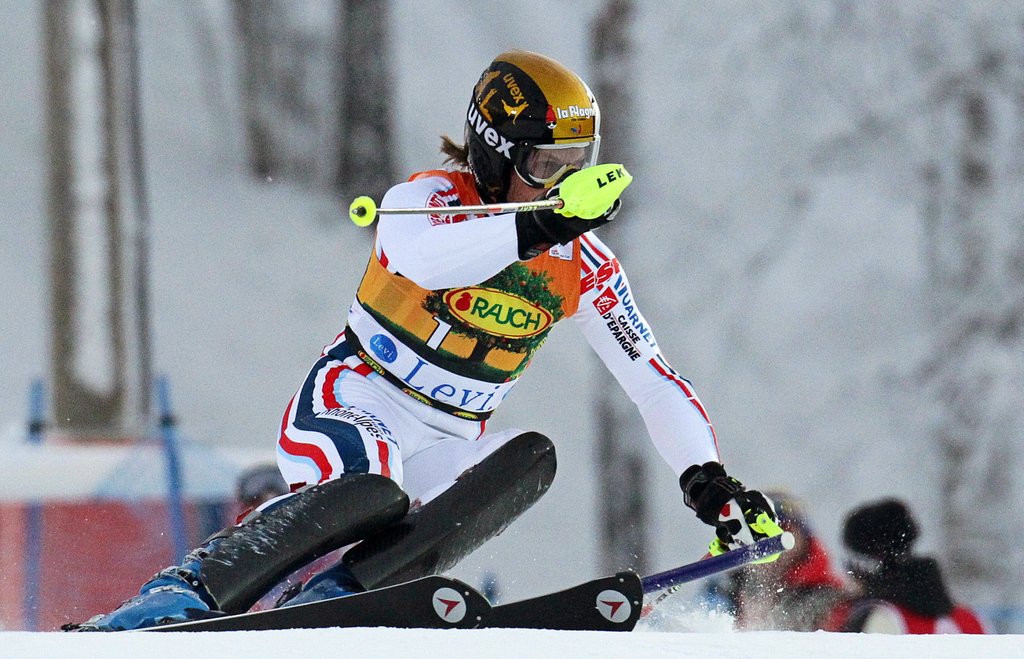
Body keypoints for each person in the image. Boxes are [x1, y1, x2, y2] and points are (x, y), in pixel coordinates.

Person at [79, 49, 781, 631]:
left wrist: (706, 479)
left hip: (448, 438)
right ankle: (182, 591)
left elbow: (653, 381)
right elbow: (427, 262)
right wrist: (540, 225)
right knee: (372, 488)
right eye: (545, 167)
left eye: (576, 164)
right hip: (358, 398)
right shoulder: (426, 201)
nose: (562, 186)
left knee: (530, 458)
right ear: (495, 154)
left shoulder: (584, 264)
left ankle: (341, 596)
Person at [828, 497, 988, 634]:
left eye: (851, 566)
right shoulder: (970, 620)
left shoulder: (880, 619)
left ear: (867, 567)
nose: (847, 576)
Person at [707, 491, 849, 631]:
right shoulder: (723, 590)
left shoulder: (833, 598)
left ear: (804, 540)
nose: (773, 544)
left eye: (785, 531)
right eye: (763, 534)